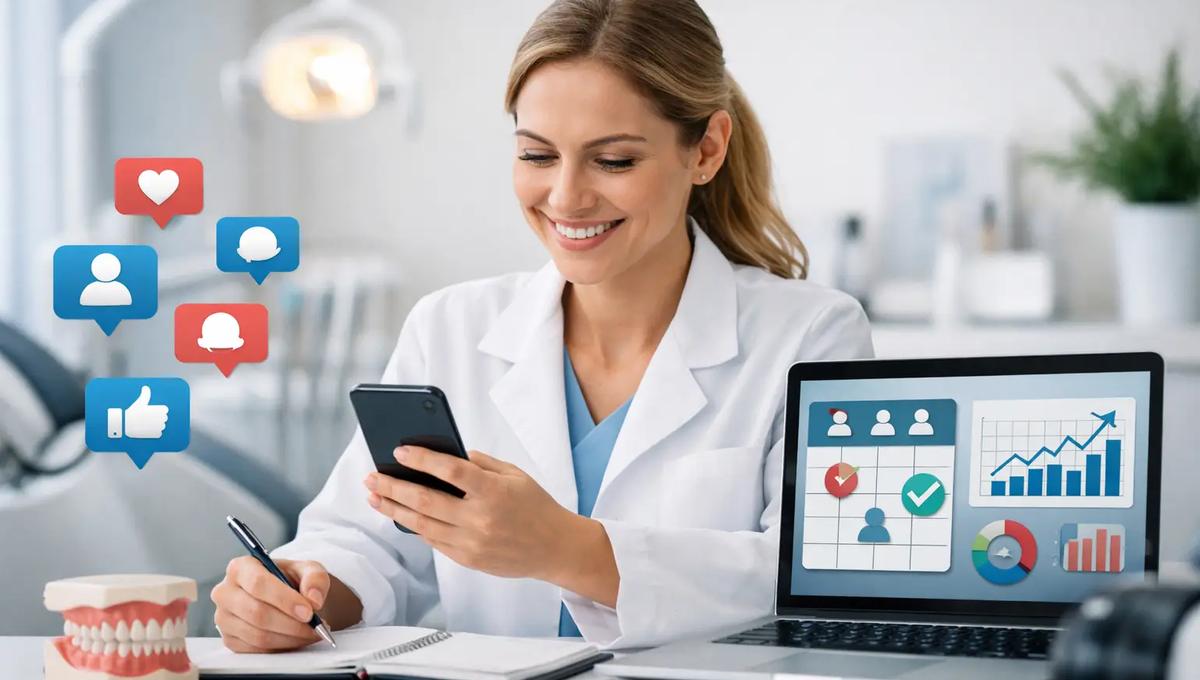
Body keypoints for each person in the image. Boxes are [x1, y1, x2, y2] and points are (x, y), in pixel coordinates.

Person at [210, 0, 872, 651]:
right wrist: (299, 593)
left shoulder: (812, 337)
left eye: (613, 161)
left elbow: (828, 583)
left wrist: (569, 549)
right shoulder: (450, 327)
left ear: (706, 150)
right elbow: (368, 543)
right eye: (537, 155)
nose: (565, 196)